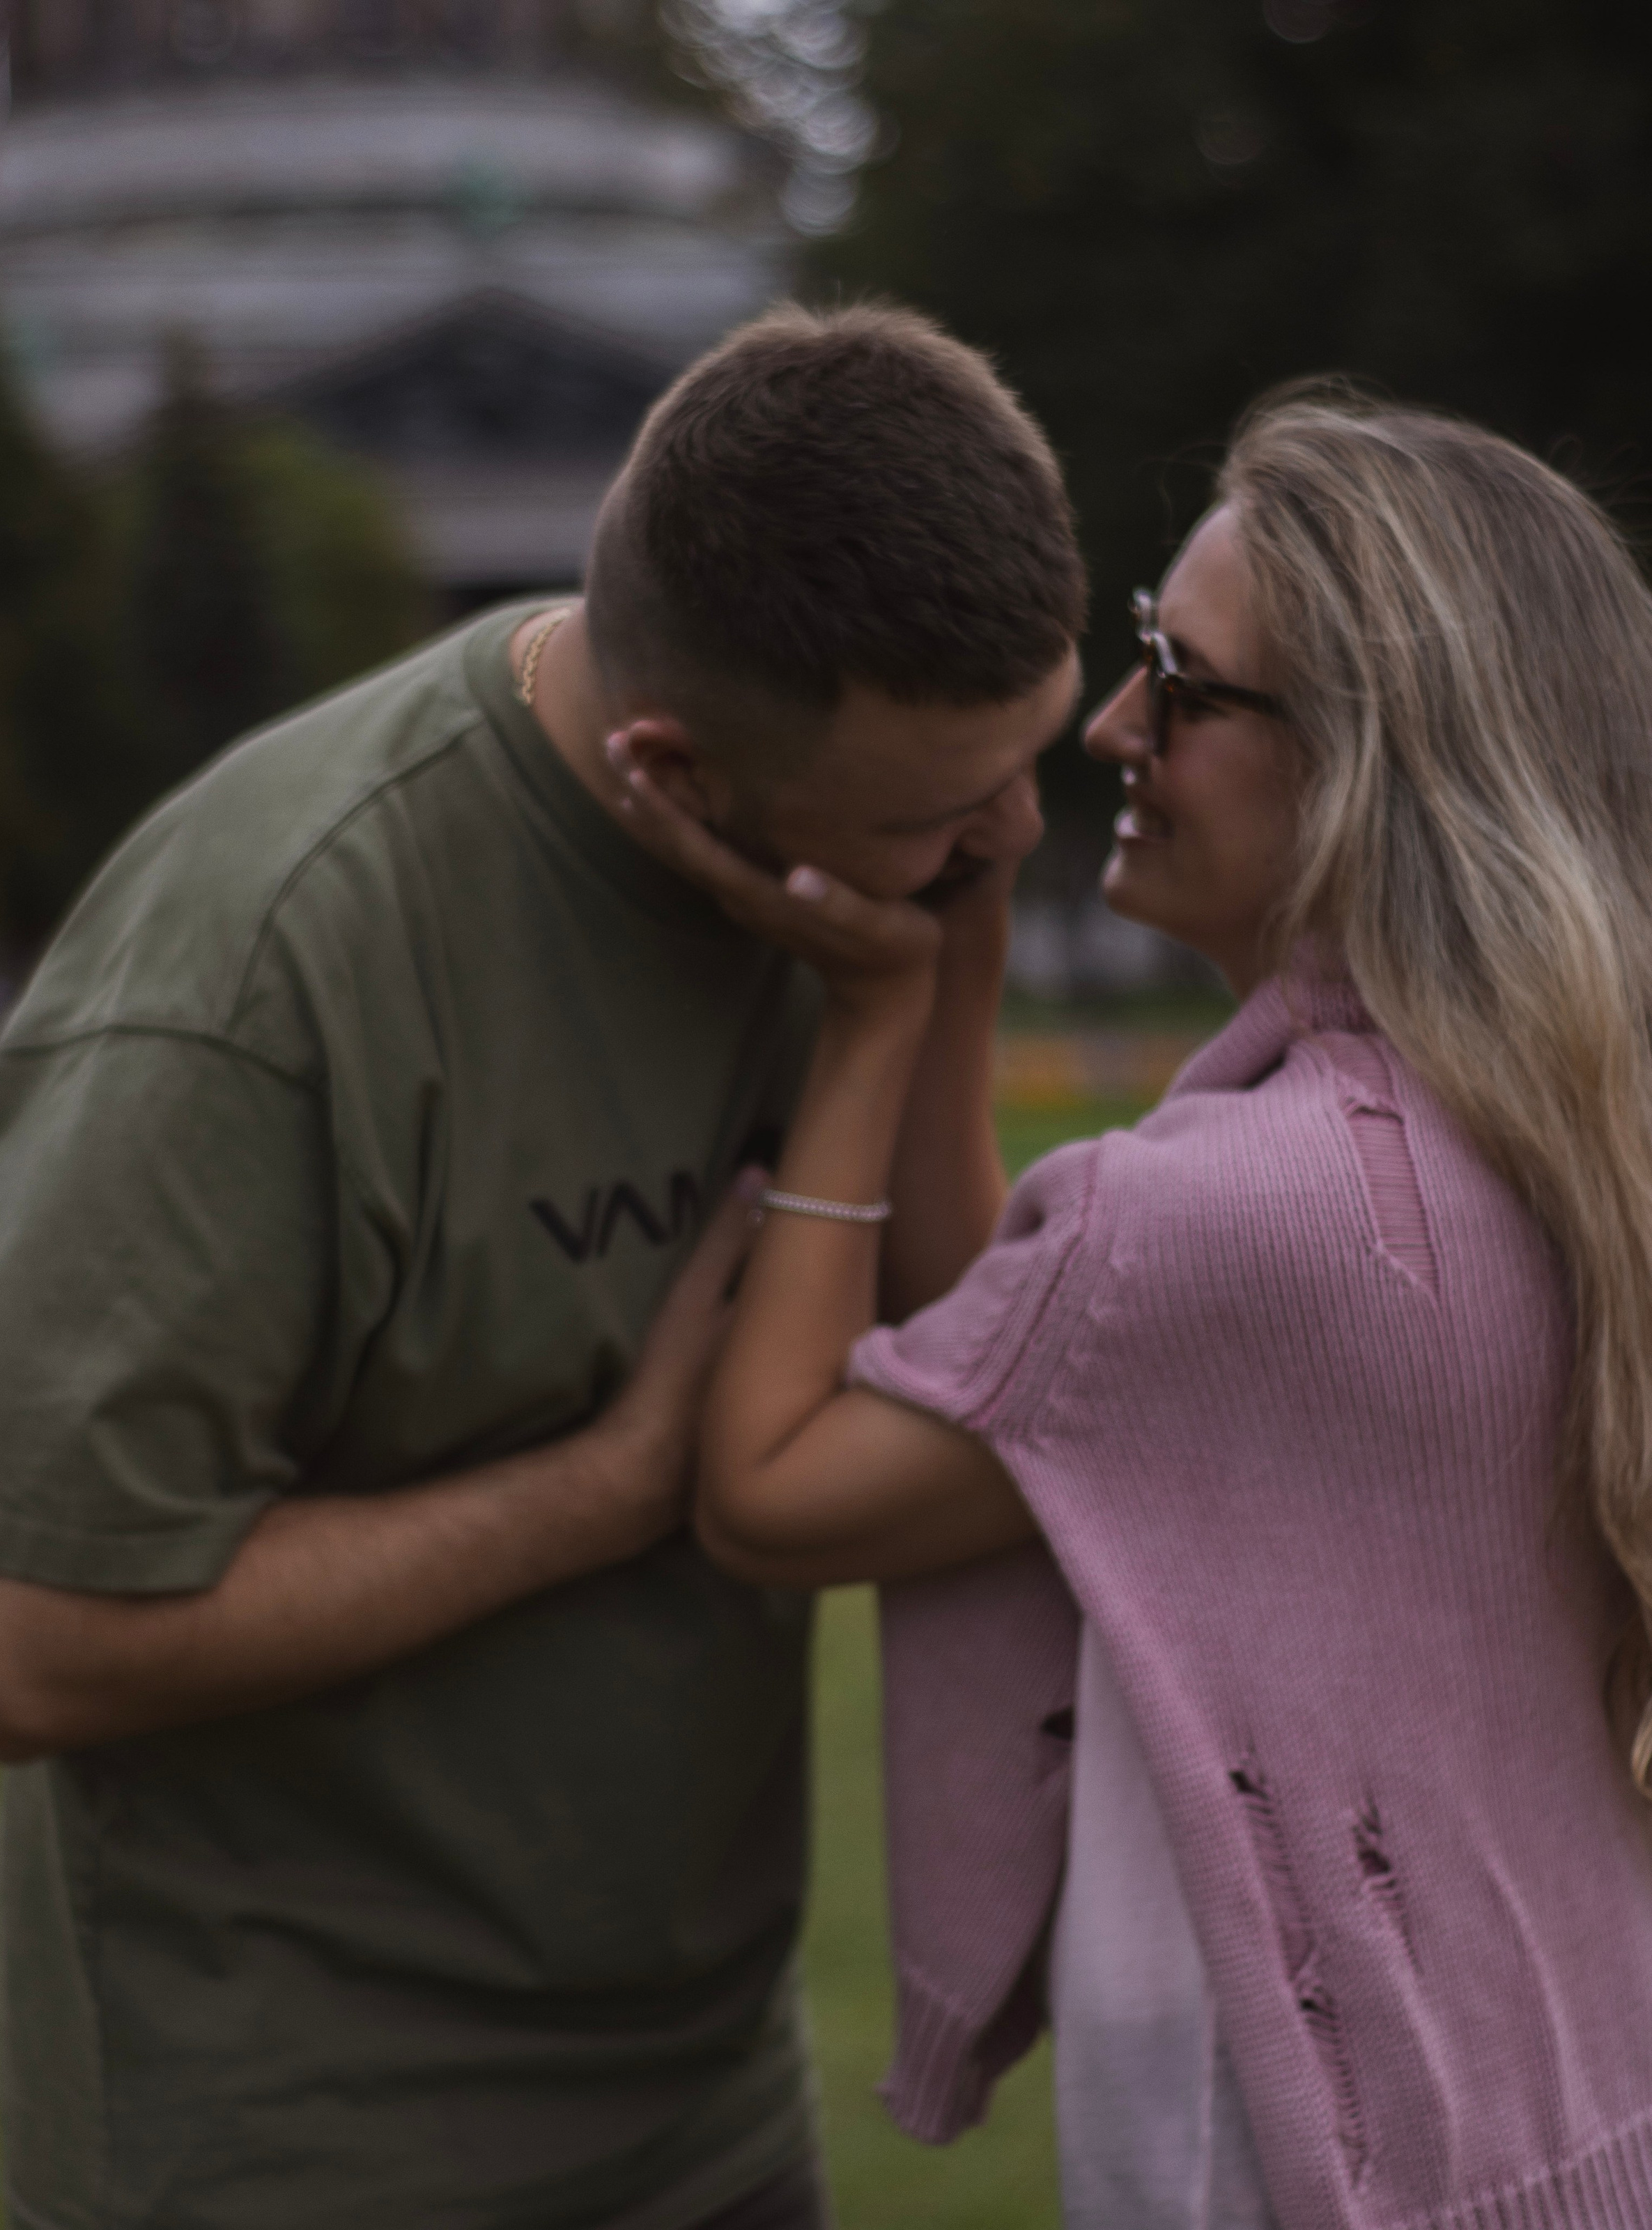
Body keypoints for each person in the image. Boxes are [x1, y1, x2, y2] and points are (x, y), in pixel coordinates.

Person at [0, 302, 1087, 2230]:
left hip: (710, 2109)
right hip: (295, 2148)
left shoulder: (869, 888)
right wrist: (605, 1489)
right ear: (672, 767)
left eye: (1020, 771)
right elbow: (19, 1646)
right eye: (939, 819)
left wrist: (930, 960)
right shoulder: (263, 971)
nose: (1017, 836)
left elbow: (954, 1383)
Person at [617, 387, 1652, 2229]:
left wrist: (864, 1033)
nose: (1111, 724)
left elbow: (768, 1488)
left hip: (1316, 2172)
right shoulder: (1547, 1130)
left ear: (1368, 763)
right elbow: (1028, 1383)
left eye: (1179, 680)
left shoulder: (1242, 1226)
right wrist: (966, 962)